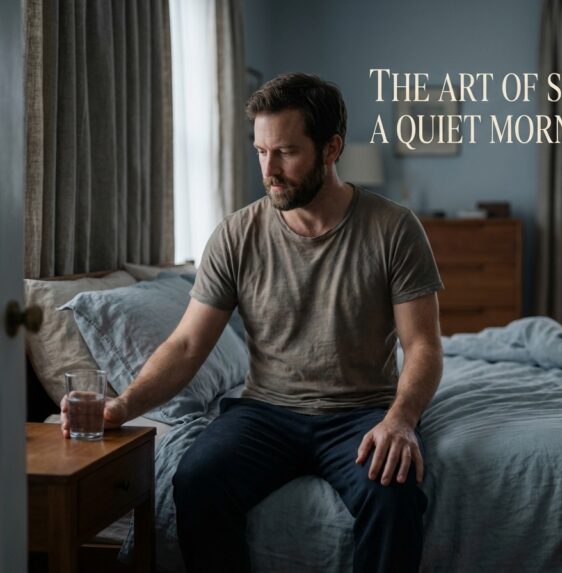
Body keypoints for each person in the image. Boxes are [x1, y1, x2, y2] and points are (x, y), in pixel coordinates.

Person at [60, 72, 444, 573]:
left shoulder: (393, 228)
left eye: (285, 151)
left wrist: (401, 419)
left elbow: (423, 347)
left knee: (394, 497)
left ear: (331, 148)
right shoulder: (237, 234)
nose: (270, 169)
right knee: (195, 481)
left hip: (361, 412)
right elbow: (186, 346)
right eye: (261, 151)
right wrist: (120, 406)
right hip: (266, 413)